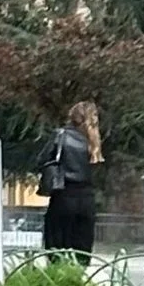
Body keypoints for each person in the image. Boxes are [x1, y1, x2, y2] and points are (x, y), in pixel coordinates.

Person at [40, 102, 102, 259]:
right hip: (87, 201)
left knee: (57, 249)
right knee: (82, 251)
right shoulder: (94, 143)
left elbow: (42, 159)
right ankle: (77, 281)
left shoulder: (61, 135)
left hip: (63, 196)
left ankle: (59, 280)